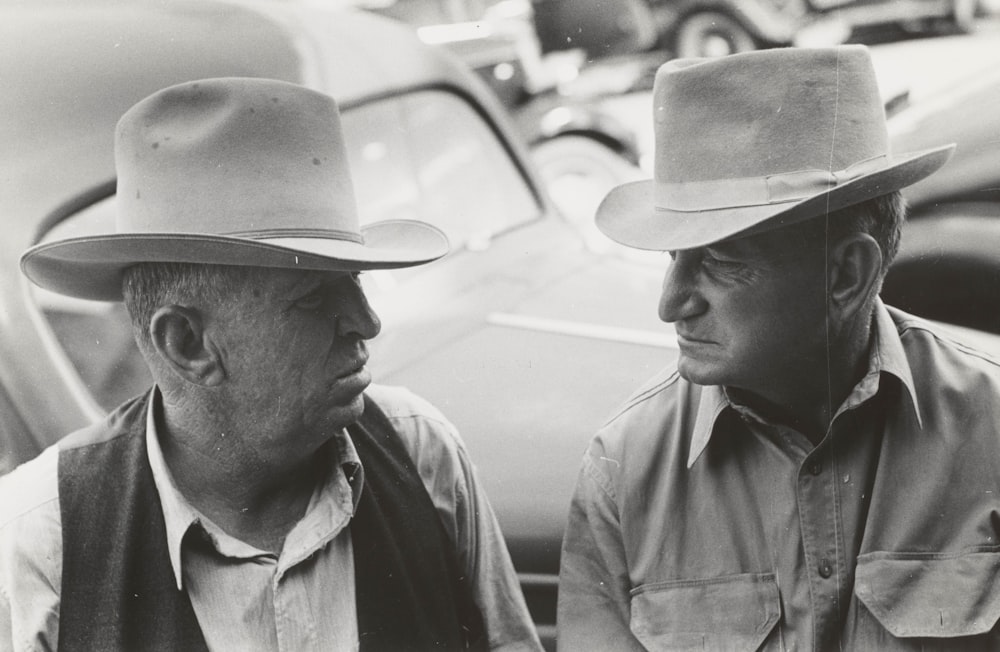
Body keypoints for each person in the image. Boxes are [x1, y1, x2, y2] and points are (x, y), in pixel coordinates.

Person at [0, 77, 542, 652]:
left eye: (354, 282)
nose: (366, 321)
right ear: (188, 343)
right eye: (313, 299)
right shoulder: (39, 537)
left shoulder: (423, 452)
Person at [557, 45, 1000, 650]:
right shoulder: (624, 469)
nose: (671, 303)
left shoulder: (992, 425)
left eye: (720, 262)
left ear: (845, 275)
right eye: (673, 258)